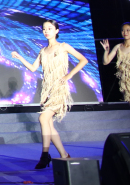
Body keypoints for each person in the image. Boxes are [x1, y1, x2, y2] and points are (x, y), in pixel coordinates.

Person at [11, 19, 88, 169]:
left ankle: (45, 154)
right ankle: (64, 155)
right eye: (44, 29)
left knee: (43, 118)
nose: (46, 31)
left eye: (50, 28)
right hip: (47, 91)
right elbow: (33, 68)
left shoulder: (63, 46)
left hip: (59, 89)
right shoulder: (43, 51)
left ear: (57, 31)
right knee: (49, 125)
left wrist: (69, 76)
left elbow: (83, 60)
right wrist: (20, 57)